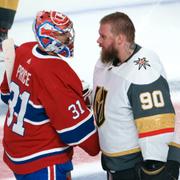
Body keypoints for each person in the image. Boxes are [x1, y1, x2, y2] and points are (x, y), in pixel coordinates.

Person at [0, 10, 100, 180]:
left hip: (18, 151)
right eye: (62, 34)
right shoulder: (56, 73)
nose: (68, 38)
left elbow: (5, 94)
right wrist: (102, 145)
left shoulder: (24, 50)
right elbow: (75, 131)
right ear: (48, 36)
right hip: (43, 159)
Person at [93, 11, 180, 180]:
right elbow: (108, 99)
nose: (98, 41)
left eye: (103, 36)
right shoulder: (106, 61)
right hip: (116, 166)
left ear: (120, 39)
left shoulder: (143, 73)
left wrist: (155, 166)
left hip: (135, 168)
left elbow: (156, 123)